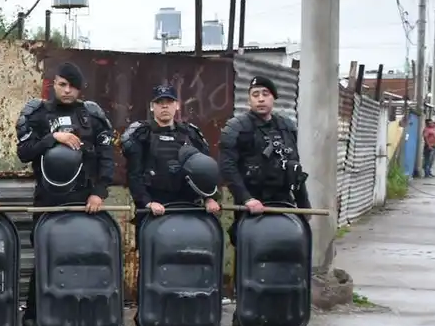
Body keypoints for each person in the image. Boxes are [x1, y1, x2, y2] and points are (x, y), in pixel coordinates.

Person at [15, 60, 115, 326]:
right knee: (46, 255)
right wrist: (52, 138)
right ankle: (34, 318)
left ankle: (78, 313)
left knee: (81, 255)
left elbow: (107, 159)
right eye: (62, 85)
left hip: (84, 199)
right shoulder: (36, 114)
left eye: (72, 86)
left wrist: (99, 192)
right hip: (49, 198)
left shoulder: (92, 116)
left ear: (80, 89)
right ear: (53, 84)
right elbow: (24, 153)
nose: (67, 91)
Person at [219, 74, 312, 243]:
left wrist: (304, 206)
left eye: (265, 94)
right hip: (252, 204)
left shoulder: (287, 127)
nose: (260, 99)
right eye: (255, 95)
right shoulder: (237, 127)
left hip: (284, 203)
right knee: (250, 252)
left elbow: (295, 168)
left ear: (273, 98)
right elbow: (228, 168)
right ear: (249, 100)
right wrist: (247, 199)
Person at [121, 83, 221, 237]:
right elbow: (134, 174)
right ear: (152, 107)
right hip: (154, 207)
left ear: (177, 105)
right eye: (160, 103)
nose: (165, 107)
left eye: (169, 103)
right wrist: (147, 203)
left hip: (188, 206)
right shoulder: (141, 135)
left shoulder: (191, 134)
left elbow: (206, 171)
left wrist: (210, 198)